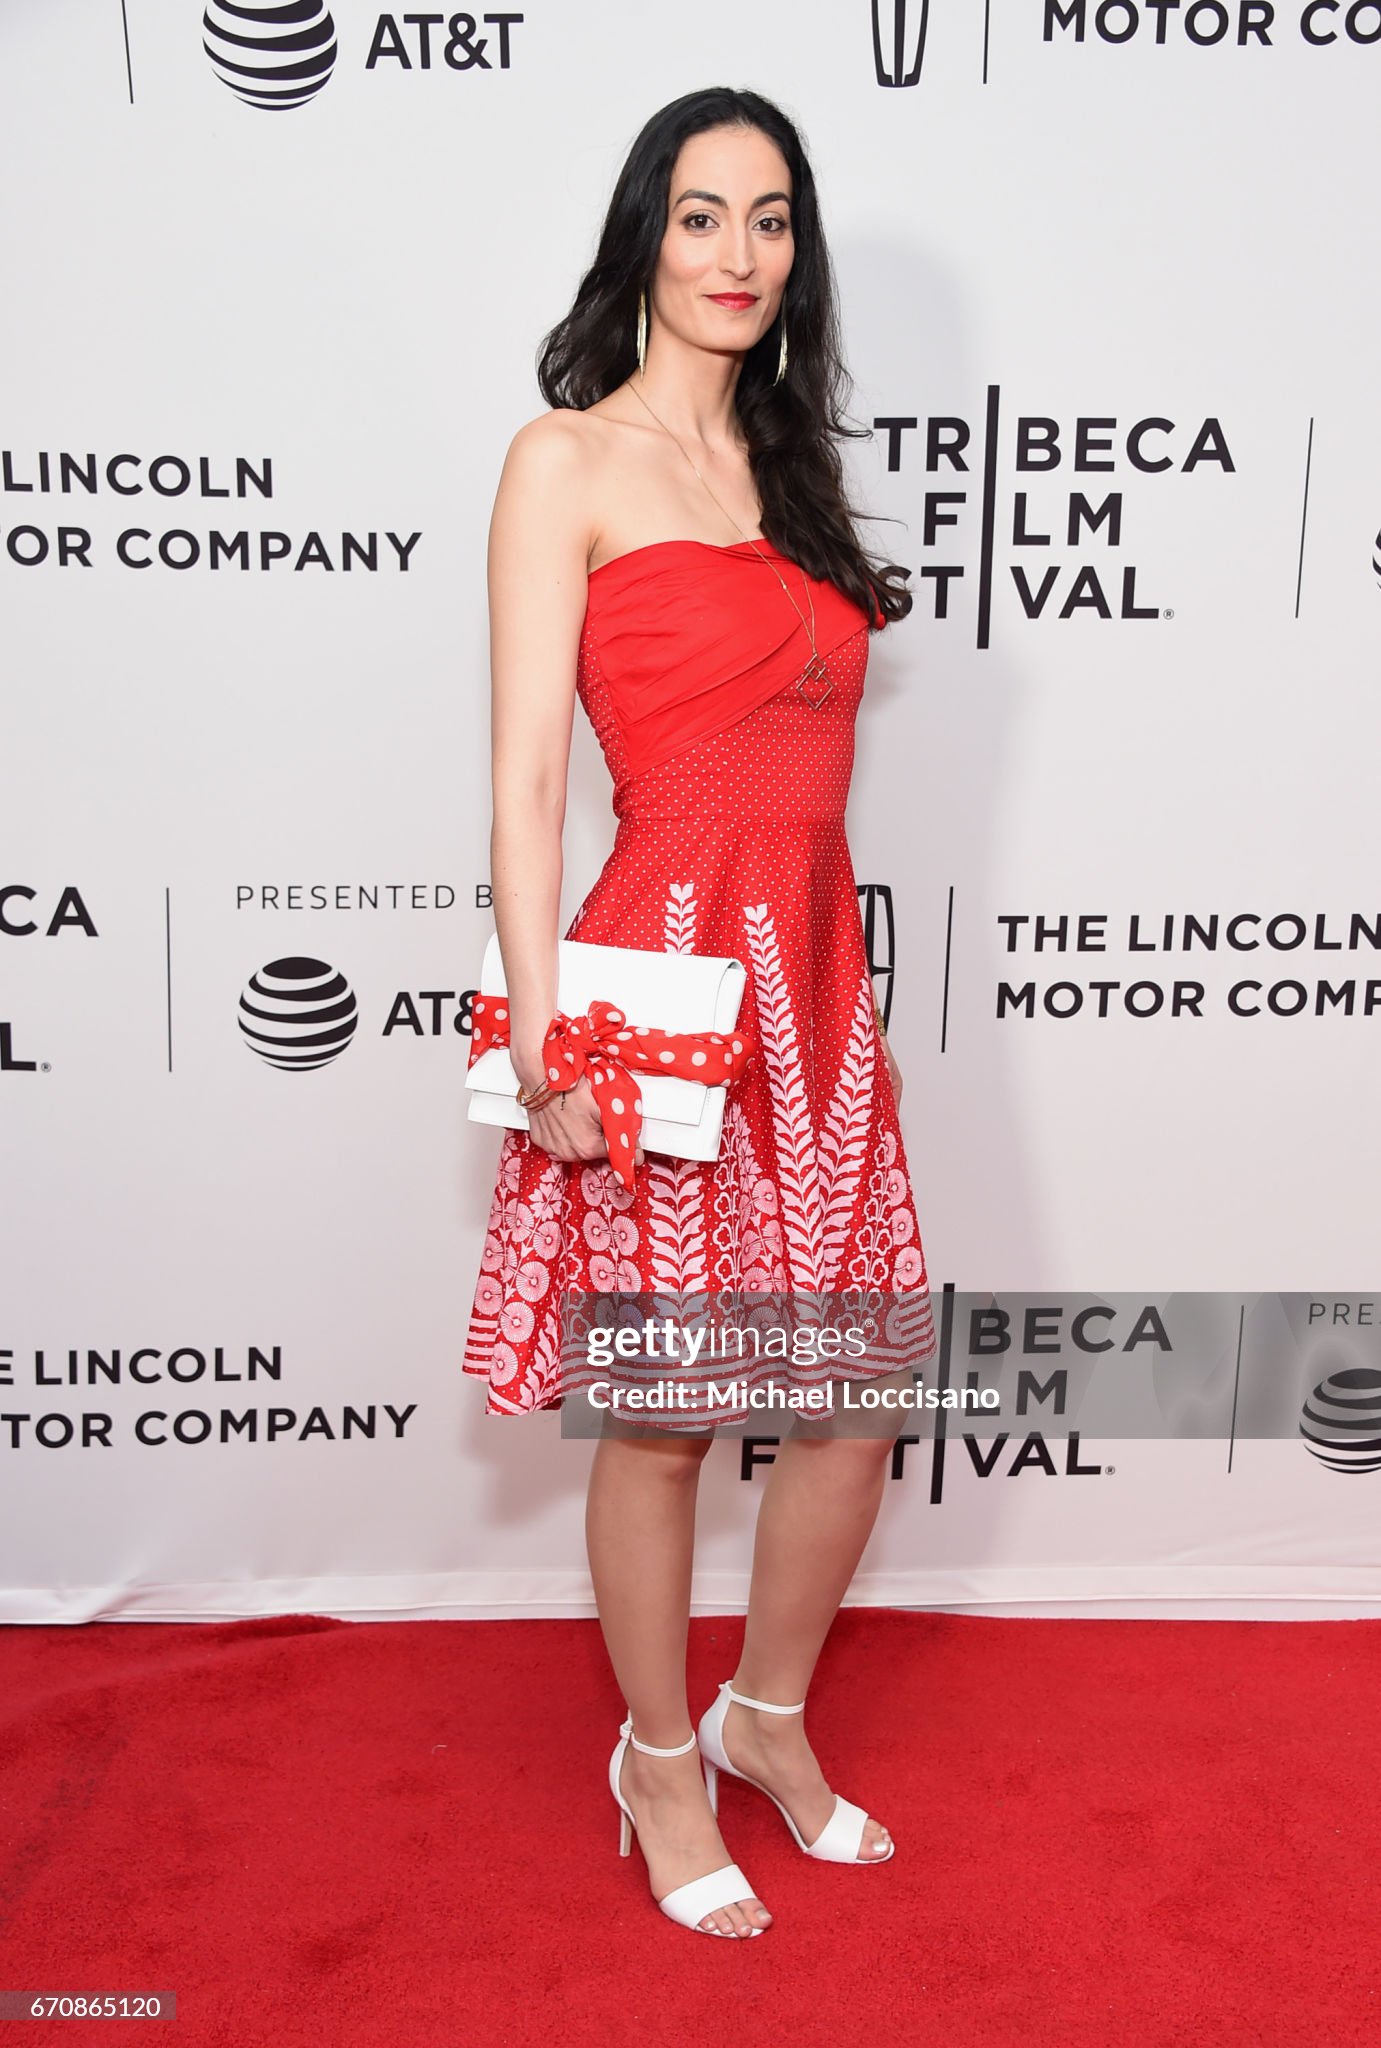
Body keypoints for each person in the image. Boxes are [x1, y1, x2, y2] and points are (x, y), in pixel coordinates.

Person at [462, 85, 938, 1938]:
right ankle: (657, 1759)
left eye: (770, 218)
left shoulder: (793, 473)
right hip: (657, 986)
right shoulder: (563, 461)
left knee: (852, 1399)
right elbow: (524, 785)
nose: (738, 253)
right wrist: (540, 1036)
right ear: (642, 241)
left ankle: (765, 1717)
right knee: (663, 1413)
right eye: (699, 215)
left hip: (812, 987)